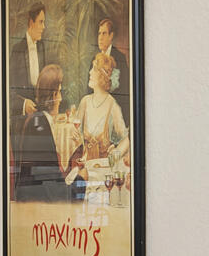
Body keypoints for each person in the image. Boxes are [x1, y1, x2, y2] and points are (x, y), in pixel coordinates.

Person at [69, 53, 131, 224]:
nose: (89, 73)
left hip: (104, 174)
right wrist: (75, 136)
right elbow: (77, 136)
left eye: (93, 69)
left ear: (101, 75)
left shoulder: (112, 105)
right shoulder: (85, 102)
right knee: (82, 219)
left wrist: (116, 153)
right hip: (86, 171)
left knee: (100, 221)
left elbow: (126, 139)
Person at [10, 64, 76, 202]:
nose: (61, 99)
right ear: (53, 95)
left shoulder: (39, 120)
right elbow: (52, 190)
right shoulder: (40, 127)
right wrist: (81, 181)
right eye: (59, 93)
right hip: (35, 207)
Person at [8, 2, 54, 121]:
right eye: (41, 22)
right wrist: (23, 104)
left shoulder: (42, 47)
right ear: (31, 22)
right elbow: (9, 88)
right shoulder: (17, 49)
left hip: (40, 113)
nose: (43, 27)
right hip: (22, 117)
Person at [92, 16, 130, 95]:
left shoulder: (120, 58)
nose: (100, 38)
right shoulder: (94, 59)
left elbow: (124, 89)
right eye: (99, 34)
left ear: (111, 36)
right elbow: (89, 89)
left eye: (104, 33)